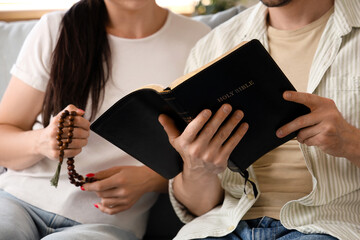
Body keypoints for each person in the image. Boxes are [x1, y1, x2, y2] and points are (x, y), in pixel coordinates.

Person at [0, 0, 210, 239]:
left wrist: (151, 179)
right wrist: (42, 141)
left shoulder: (198, 40)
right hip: (17, 202)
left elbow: (210, 163)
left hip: (105, 226)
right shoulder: (55, 28)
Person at [158, 0, 360, 239]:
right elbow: (200, 208)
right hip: (222, 226)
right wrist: (198, 169)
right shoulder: (213, 45)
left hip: (328, 226)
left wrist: (350, 142)